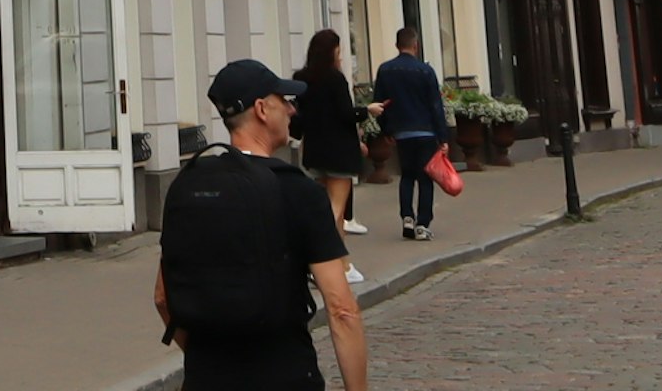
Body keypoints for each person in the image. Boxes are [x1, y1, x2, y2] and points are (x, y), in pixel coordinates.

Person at [156, 57, 370, 391]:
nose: (292, 110)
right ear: (261, 109)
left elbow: (162, 298)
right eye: (284, 101)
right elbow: (342, 309)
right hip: (285, 375)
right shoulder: (299, 191)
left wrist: (207, 358)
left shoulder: (190, 185)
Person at [372, 25, 451, 242]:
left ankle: (407, 216)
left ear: (397, 45)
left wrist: (386, 129)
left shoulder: (385, 70)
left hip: (402, 132)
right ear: (416, 45)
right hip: (425, 131)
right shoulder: (425, 71)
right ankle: (422, 224)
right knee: (425, 178)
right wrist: (443, 137)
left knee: (406, 176)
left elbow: (380, 103)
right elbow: (436, 105)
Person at [296, 28, 370, 239]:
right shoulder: (335, 79)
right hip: (339, 153)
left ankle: (343, 264)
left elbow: (300, 115)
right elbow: (345, 114)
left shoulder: (303, 79)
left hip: (314, 150)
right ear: (332, 52)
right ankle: (324, 258)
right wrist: (367, 111)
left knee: (325, 207)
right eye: (338, 52)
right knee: (335, 210)